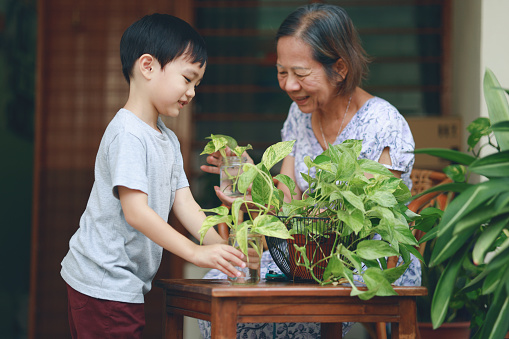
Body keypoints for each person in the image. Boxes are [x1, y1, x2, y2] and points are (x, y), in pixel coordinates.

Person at [199, 3, 420, 338]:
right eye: (281, 71)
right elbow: (288, 200)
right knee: (220, 282)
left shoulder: (384, 124)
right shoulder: (299, 115)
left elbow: (367, 220)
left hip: (362, 257)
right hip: (305, 252)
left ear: (340, 68)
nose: (289, 85)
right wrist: (252, 177)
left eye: (301, 74)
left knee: (258, 315)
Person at [60, 13, 247, 338]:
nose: (191, 92)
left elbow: (186, 205)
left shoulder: (166, 138)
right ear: (147, 66)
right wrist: (193, 252)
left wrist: (224, 252)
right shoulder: (128, 134)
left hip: (119, 283)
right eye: (187, 79)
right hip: (102, 281)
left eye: (197, 84)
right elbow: (136, 212)